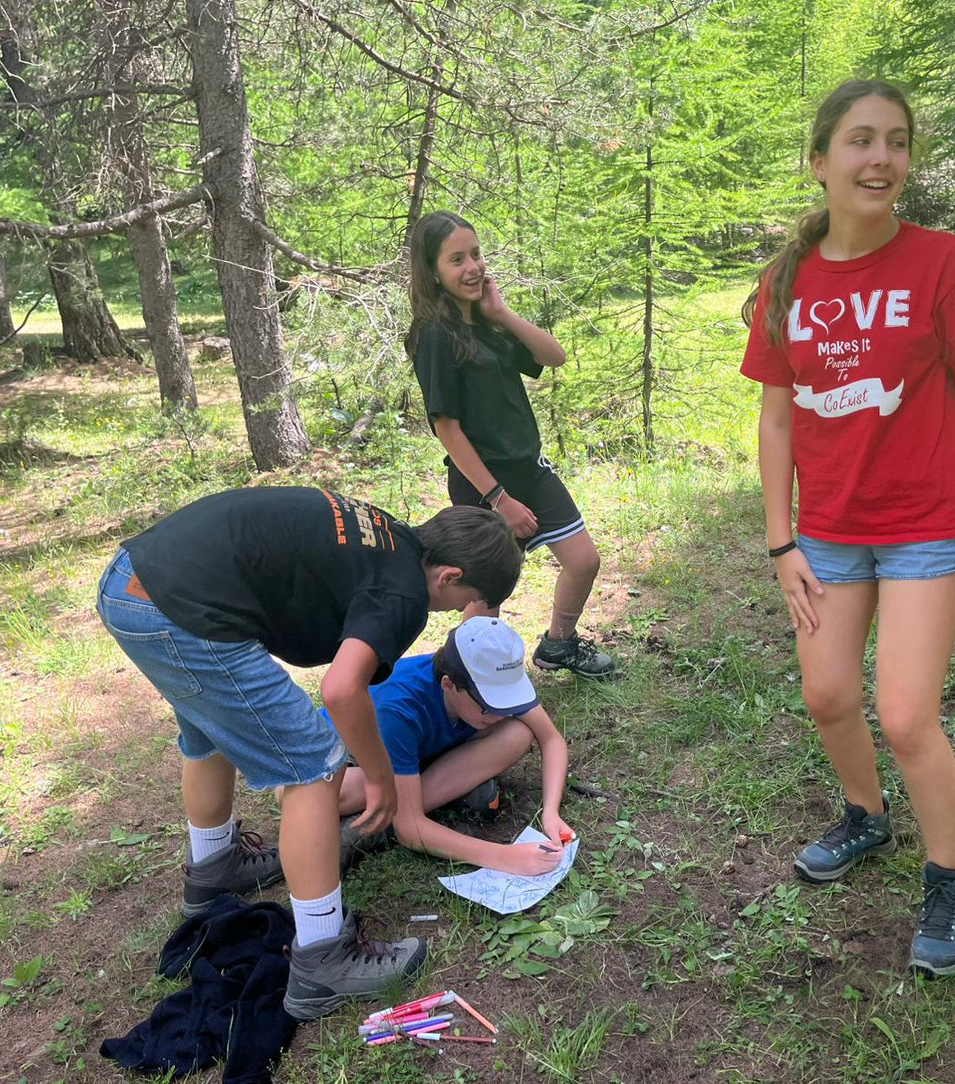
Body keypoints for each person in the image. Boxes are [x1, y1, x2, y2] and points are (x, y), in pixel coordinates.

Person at [740, 79, 955, 977]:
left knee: (905, 715)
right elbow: (777, 419)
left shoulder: (941, 261)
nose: (881, 159)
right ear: (820, 161)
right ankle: (865, 817)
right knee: (827, 697)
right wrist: (781, 540)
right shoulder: (786, 280)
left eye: (896, 142)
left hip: (923, 527)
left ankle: (949, 878)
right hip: (824, 534)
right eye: (861, 141)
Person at [94, 487, 523, 1019]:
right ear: (449, 577)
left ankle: (214, 870)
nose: (452, 613)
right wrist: (379, 776)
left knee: (210, 731)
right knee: (315, 763)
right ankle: (322, 957)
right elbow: (342, 690)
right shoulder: (406, 592)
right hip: (176, 608)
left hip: (135, 580)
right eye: (461, 603)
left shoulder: (390, 537)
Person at [406, 209, 616, 679]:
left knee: (584, 561)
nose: (472, 268)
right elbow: (447, 427)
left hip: (531, 470)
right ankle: (470, 683)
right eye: (456, 260)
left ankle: (558, 645)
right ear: (433, 273)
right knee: (485, 595)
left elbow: (553, 356)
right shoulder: (435, 336)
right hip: (484, 486)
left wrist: (501, 313)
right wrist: (499, 500)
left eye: (476, 255)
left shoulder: (490, 322)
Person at [332, 616, 573, 874]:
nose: (499, 714)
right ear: (448, 684)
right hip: (356, 758)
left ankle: (386, 813)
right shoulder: (397, 709)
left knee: (518, 734)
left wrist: (550, 813)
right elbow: (410, 831)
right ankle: (396, 812)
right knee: (332, 793)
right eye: (488, 704)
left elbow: (551, 739)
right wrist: (506, 856)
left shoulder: (494, 672)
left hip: (419, 756)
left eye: (506, 702)